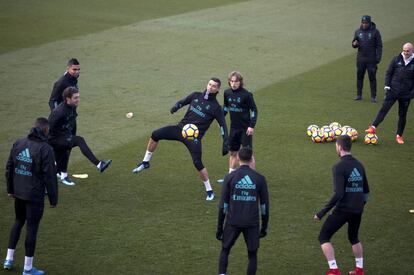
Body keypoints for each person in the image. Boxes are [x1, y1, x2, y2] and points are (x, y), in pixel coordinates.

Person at [132, 78, 229, 201]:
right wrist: (176, 106)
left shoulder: (216, 108)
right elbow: (183, 102)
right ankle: (145, 162)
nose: (210, 87)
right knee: (155, 135)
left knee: (197, 163)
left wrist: (225, 141)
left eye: (214, 86)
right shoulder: (196, 95)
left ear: (217, 89)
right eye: (209, 84)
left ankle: (209, 191)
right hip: (180, 129)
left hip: (194, 138)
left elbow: (223, 126)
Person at [3, 118, 58, 275]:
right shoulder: (45, 148)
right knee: (32, 228)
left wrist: (10, 188)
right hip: (34, 196)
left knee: (18, 221)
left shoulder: (19, 143)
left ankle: (9, 259)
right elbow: (50, 177)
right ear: (46, 130)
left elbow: (9, 167)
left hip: (19, 192)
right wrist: (53, 199)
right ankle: (27, 268)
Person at [314, 135, 370, 275]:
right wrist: (360, 205)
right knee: (353, 237)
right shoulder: (359, 165)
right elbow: (366, 192)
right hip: (357, 209)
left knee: (324, 236)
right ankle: (359, 270)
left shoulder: (338, 167)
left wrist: (322, 212)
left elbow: (338, 194)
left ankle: (334, 270)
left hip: (343, 209)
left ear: (339, 147)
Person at [216, 147, 269, 275]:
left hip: (233, 221)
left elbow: (223, 206)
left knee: (225, 249)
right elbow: (264, 207)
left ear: (238, 158)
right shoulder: (260, 179)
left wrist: (219, 228)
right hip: (252, 223)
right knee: (252, 254)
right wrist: (264, 227)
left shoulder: (229, 177)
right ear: (251, 159)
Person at [48, 87, 112, 186]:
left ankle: (63, 176)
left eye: (78, 97)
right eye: (75, 98)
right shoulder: (58, 112)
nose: (78, 100)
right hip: (54, 139)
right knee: (79, 140)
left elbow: (72, 121)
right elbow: (48, 128)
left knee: (65, 151)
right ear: (67, 99)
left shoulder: (72, 106)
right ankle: (99, 164)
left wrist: (70, 135)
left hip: (63, 136)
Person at [365, 42, 414, 144]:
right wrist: (387, 85)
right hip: (392, 91)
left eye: (407, 51)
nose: (405, 52)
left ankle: (399, 136)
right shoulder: (396, 59)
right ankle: (373, 127)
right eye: (404, 50)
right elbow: (389, 73)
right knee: (384, 109)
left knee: (402, 115)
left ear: (412, 50)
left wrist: (411, 94)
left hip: (405, 94)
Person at [217, 71, 258, 184]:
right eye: (232, 81)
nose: (233, 83)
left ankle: (252, 178)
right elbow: (226, 108)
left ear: (240, 82)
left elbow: (254, 110)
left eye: (236, 81)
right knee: (233, 152)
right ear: (229, 82)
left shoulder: (247, 95)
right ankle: (230, 177)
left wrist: (251, 126)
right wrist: (220, 118)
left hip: (245, 129)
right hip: (234, 128)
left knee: (248, 154)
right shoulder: (227, 93)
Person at [352, 15, 382, 102]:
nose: (364, 24)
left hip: (371, 60)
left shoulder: (375, 32)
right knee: (359, 77)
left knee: (372, 77)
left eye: (366, 23)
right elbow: (354, 43)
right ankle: (359, 95)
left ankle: (373, 96)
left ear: (369, 23)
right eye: (363, 23)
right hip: (361, 59)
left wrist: (378, 57)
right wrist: (354, 44)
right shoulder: (358, 32)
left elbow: (379, 46)